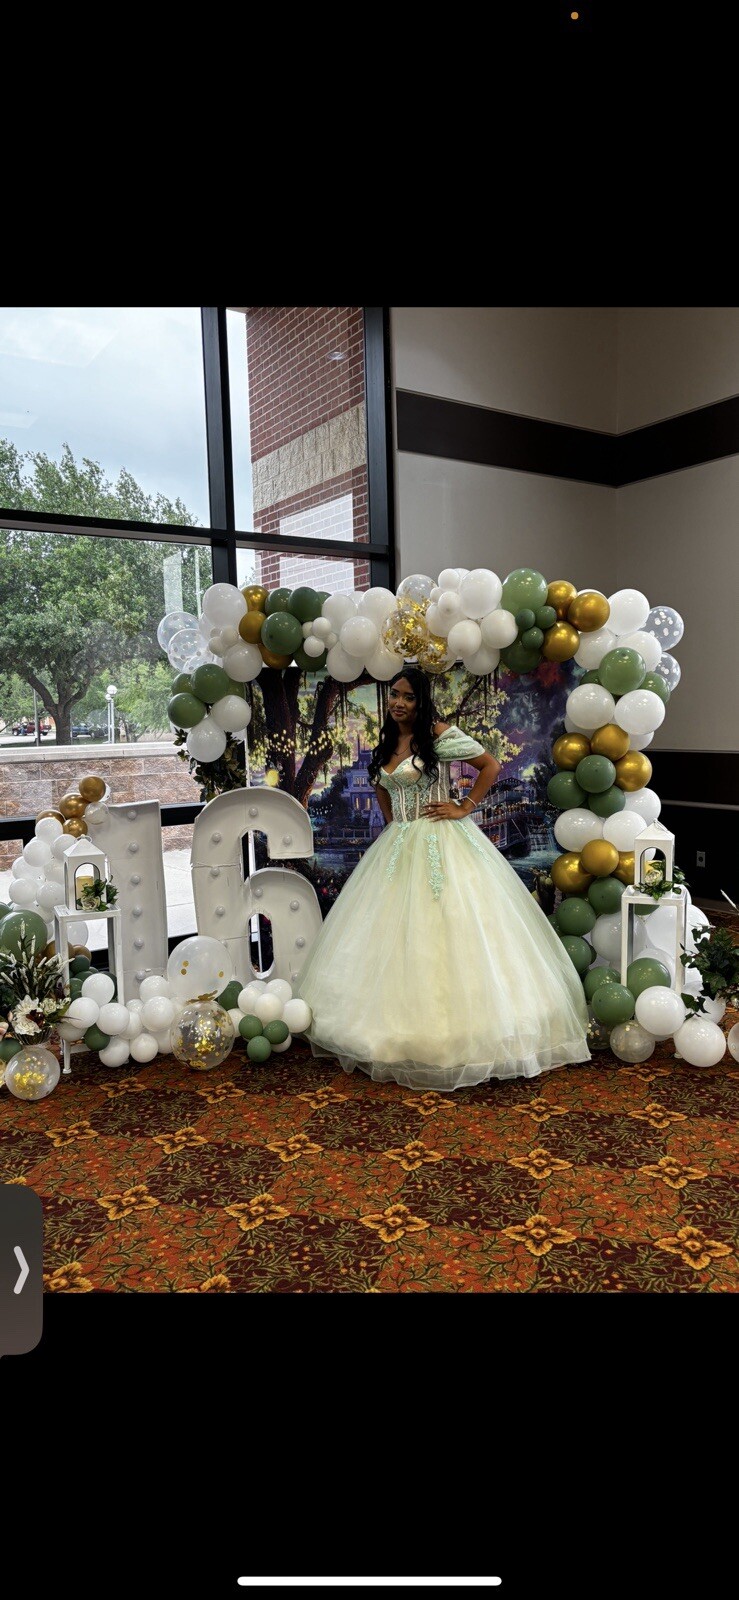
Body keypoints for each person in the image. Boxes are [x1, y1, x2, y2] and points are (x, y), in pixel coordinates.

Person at [295, 665, 591, 1091]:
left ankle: (467, 1031)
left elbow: (488, 765)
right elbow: (383, 786)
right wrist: (394, 821)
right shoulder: (387, 742)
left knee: (451, 923)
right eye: (394, 695)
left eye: (408, 696)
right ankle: (389, 1027)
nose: (399, 702)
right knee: (392, 934)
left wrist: (464, 805)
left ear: (422, 701)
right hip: (398, 845)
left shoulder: (438, 734)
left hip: (443, 841)